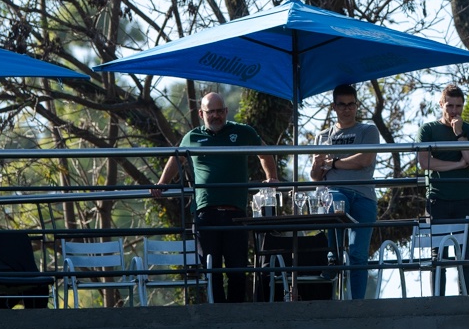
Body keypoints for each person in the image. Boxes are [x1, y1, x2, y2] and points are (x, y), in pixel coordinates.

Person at [151, 91, 279, 303]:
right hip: (206, 214)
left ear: (226, 111)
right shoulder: (192, 137)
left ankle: (236, 315)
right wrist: (162, 183)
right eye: (211, 112)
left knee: (238, 270)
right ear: (202, 114)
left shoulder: (242, 132)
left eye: (220, 111)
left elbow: (264, 153)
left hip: (235, 214)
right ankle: (217, 315)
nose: (216, 116)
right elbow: (176, 159)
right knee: (211, 270)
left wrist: (272, 178)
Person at [310, 84, 379, 300]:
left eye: (351, 104)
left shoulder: (368, 131)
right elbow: (315, 176)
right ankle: (334, 255)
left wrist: (334, 163)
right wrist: (317, 164)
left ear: (357, 106)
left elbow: (364, 159)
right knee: (336, 201)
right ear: (334, 106)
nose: (347, 109)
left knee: (358, 255)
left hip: (364, 197)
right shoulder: (322, 136)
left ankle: (358, 304)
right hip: (336, 192)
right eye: (342, 104)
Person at [416, 84, 469, 296]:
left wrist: (459, 133)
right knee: (438, 258)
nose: (454, 111)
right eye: (450, 106)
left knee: (465, 257)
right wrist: (456, 165)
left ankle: (466, 300)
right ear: (441, 104)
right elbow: (425, 163)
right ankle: (438, 303)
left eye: (459, 106)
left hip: (464, 199)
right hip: (438, 200)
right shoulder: (428, 129)